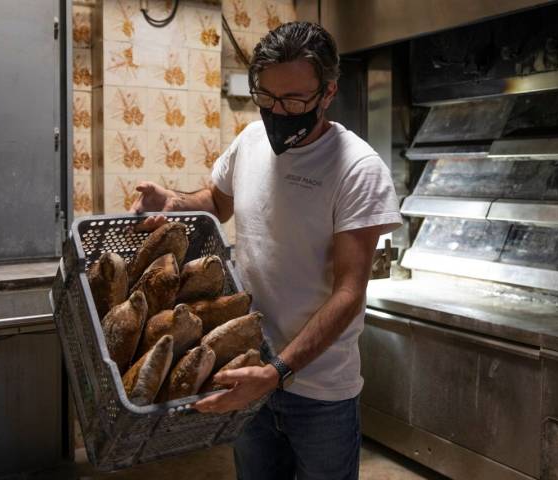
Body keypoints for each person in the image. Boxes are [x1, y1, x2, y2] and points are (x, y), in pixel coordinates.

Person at [130, 21, 401, 480]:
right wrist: (172, 201)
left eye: (294, 100)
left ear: (328, 92)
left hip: (320, 392)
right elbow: (215, 203)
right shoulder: (250, 140)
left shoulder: (357, 170)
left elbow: (349, 292)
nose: (278, 111)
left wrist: (277, 371)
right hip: (245, 370)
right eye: (267, 97)